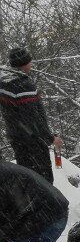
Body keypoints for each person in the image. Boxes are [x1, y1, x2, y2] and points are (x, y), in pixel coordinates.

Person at [0, 47, 62, 183]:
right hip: (32, 141)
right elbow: (32, 118)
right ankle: (45, 204)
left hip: (17, 139)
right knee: (43, 181)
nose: (31, 63)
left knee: (28, 180)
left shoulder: (5, 84)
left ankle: (33, 203)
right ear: (25, 63)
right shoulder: (23, 86)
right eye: (29, 60)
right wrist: (51, 138)